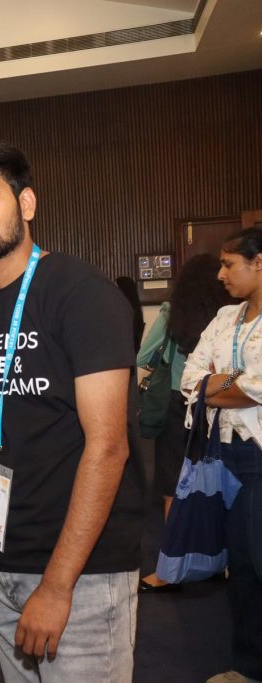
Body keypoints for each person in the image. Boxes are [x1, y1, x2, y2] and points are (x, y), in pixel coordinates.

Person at [0, 138, 144, 681]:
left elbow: (109, 446)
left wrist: (57, 585)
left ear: (25, 204)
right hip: (1, 559)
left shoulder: (81, 292)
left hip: (77, 573)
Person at [181, 227, 262, 683]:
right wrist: (232, 381)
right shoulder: (226, 316)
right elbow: (190, 379)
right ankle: (248, 667)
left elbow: (259, 388)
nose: (220, 274)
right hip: (225, 455)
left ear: (259, 262)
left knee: (257, 563)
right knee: (241, 568)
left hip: (258, 457)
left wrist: (220, 382)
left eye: (229, 264)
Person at [138, 254, 232, 591]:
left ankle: (170, 569)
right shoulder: (231, 315)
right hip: (220, 403)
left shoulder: (170, 313)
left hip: (179, 403)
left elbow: (143, 356)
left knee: (172, 486)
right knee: (221, 481)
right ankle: (224, 562)